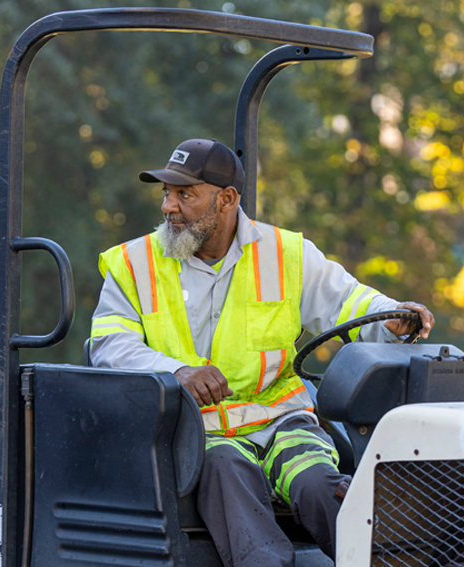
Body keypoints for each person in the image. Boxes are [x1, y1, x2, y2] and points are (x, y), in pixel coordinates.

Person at [90, 138, 435, 567]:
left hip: (281, 421)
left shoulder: (286, 255)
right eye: (166, 193)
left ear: (227, 200)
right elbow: (108, 345)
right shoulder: (133, 263)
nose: (168, 207)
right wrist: (176, 370)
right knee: (229, 474)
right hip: (200, 431)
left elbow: (348, 302)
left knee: (319, 486)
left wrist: (391, 316)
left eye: (185, 194)